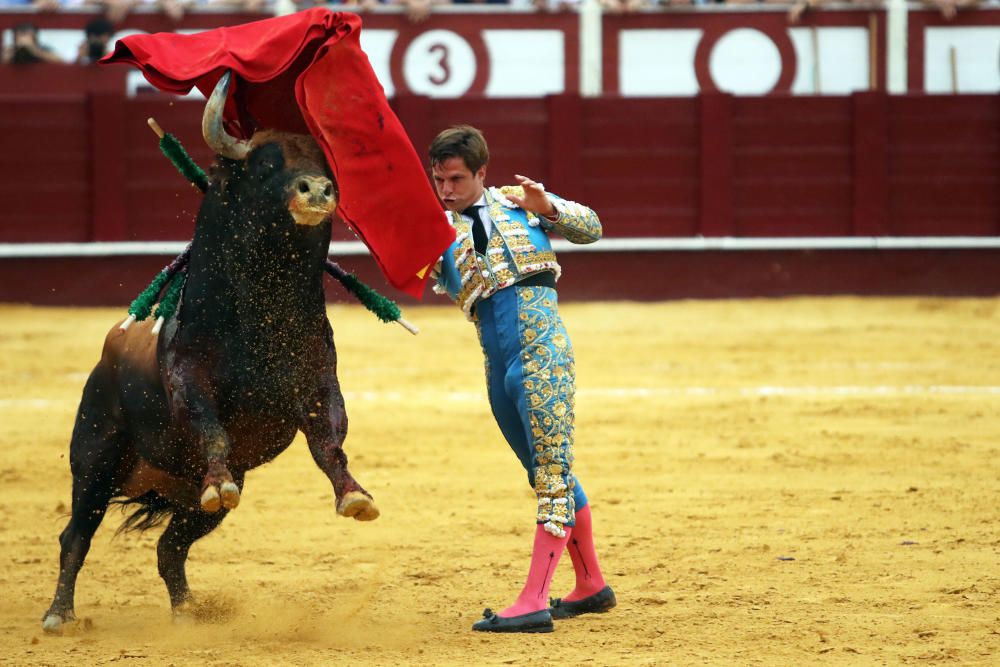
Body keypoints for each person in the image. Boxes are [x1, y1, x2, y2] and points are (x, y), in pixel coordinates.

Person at [428, 125, 616, 633]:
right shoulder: (434, 230)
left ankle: (533, 600)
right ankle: (591, 584)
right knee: (544, 471)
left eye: (456, 179)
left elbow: (592, 227)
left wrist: (549, 206)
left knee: (552, 475)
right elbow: (407, 273)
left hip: (542, 353)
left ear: (481, 174)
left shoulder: (520, 203)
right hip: (497, 365)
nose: (446, 190)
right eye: (439, 179)